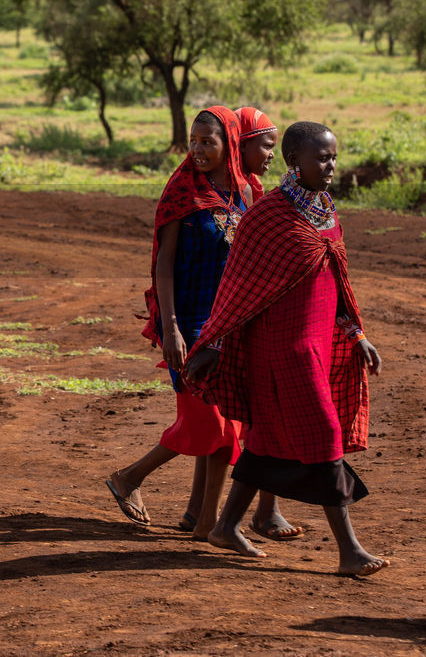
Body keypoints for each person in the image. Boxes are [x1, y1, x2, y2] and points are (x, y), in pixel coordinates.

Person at [184, 122, 387, 577]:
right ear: (295, 160)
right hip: (281, 349)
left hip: (316, 342)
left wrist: (356, 334)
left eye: (333, 157)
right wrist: (214, 341)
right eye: (321, 158)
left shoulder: (326, 210)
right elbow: (236, 288)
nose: (330, 165)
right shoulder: (269, 216)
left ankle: (226, 525)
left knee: (268, 440)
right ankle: (350, 551)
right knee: (323, 436)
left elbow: (337, 281)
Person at [106, 106, 248, 538]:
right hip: (187, 323)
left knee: (224, 423)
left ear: (230, 146)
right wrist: (170, 328)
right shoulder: (181, 192)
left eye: (209, 142)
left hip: (224, 326)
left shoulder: (243, 192)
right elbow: (163, 265)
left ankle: (198, 519)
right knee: (206, 422)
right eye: (194, 140)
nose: (198, 150)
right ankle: (129, 477)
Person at [234, 107, 303, 542]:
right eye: (264, 144)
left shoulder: (254, 190)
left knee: (260, 421)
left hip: (258, 312)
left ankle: (254, 512)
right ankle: (215, 518)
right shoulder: (229, 192)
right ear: (239, 144)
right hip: (231, 314)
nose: (270, 156)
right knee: (246, 424)